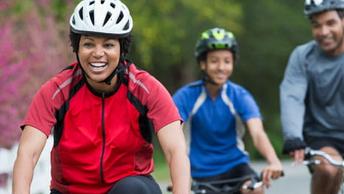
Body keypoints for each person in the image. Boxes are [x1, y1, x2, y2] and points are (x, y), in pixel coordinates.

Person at [12, 0, 190, 194]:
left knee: (131, 189)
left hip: (128, 187)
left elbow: (176, 152)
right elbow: (27, 155)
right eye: (88, 44)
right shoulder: (56, 90)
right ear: (76, 48)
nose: (98, 53)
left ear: (122, 49)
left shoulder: (145, 88)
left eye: (108, 45)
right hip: (71, 190)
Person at [173, 27, 283, 194]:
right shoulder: (185, 96)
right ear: (203, 63)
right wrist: (180, 177)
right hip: (199, 172)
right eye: (214, 61)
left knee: (256, 189)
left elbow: (258, 133)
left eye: (227, 61)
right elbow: (174, 137)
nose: (221, 67)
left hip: (236, 167)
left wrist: (274, 161)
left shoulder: (239, 95)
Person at [280, 0, 344, 194]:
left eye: (330, 23)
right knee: (329, 169)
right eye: (316, 25)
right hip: (321, 136)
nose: (323, 32)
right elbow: (292, 97)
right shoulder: (303, 56)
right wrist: (293, 136)